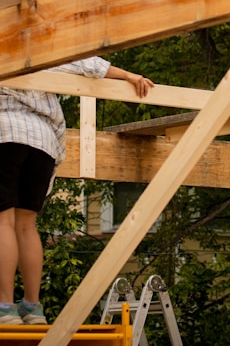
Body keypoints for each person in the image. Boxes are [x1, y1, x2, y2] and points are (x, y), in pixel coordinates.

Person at [0, 57, 154, 325]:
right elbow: (87, 63)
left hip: (5, 132)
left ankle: (4, 307)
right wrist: (129, 74)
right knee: (26, 226)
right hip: (42, 141)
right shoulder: (40, 49)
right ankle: (32, 308)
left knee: (3, 221)